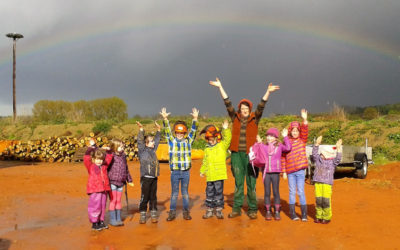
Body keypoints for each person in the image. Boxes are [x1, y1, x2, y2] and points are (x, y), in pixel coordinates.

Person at [209, 77, 279, 219]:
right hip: (236, 155)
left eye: (247, 108)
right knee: (238, 182)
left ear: (249, 110)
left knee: (251, 182)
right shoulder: (235, 117)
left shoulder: (255, 118)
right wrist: (220, 87)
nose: (245, 110)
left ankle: (252, 209)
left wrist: (268, 92)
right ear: (240, 109)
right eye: (242, 108)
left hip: (251, 155)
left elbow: (261, 106)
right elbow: (227, 102)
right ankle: (237, 208)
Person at [160, 107, 199, 221]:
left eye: (182, 133)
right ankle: (172, 212)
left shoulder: (188, 141)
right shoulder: (171, 141)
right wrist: (165, 118)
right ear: (175, 132)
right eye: (177, 132)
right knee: (174, 193)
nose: (180, 135)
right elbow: (167, 131)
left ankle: (186, 212)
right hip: (175, 172)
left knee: (185, 193)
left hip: (186, 172)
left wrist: (195, 119)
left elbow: (193, 131)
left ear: (184, 133)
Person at [255, 128, 291, 220]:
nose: (269, 138)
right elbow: (257, 152)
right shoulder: (263, 146)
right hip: (266, 172)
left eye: (271, 136)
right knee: (267, 192)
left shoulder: (280, 146)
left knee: (276, 192)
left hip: (275, 172)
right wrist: (259, 143)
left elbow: (288, 148)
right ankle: (268, 211)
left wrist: (286, 137)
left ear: (276, 137)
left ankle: (277, 211)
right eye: (268, 136)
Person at [200, 120, 232, 219]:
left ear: (216, 137)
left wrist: (225, 129)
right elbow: (205, 161)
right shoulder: (206, 149)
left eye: (212, 138)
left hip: (219, 175)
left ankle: (218, 210)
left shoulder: (222, 146)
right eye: (209, 139)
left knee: (218, 193)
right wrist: (202, 170)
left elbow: (228, 139)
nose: (211, 141)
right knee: (209, 193)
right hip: (210, 176)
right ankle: (209, 210)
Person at [282, 109, 309, 221]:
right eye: (293, 131)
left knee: (301, 192)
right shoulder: (287, 142)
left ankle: (303, 215)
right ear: (290, 131)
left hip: (300, 171)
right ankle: (292, 214)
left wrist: (304, 119)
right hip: (290, 172)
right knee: (292, 192)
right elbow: (283, 157)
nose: (295, 133)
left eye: (297, 131)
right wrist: (283, 171)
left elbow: (305, 131)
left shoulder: (302, 140)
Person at [312, 136, 342, 224]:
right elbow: (314, 153)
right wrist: (317, 144)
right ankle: (319, 216)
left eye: (323, 153)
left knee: (325, 201)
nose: (321, 155)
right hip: (318, 182)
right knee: (318, 200)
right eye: (321, 153)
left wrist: (339, 148)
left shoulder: (332, 162)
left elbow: (338, 159)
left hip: (327, 184)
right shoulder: (318, 160)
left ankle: (326, 217)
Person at [136, 121, 161, 224]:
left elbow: (157, 140)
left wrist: (159, 130)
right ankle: (143, 214)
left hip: (154, 178)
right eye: (151, 141)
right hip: (145, 178)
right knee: (144, 197)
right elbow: (140, 141)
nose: (153, 142)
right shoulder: (142, 151)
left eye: (153, 141)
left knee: (153, 196)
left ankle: (154, 213)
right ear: (146, 143)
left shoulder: (153, 150)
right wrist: (141, 129)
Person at [83, 146, 113, 231]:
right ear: (93, 159)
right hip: (95, 190)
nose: (99, 161)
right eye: (97, 159)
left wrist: (109, 150)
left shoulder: (104, 166)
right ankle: (94, 222)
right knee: (95, 206)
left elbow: (109, 157)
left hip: (104, 189)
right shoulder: (91, 166)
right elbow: (86, 158)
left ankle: (101, 221)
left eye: (101, 159)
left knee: (103, 206)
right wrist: (90, 149)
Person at [107, 139, 134, 227]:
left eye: (123, 146)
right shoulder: (111, 156)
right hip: (112, 182)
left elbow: (126, 168)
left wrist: (129, 180)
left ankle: (118, 218)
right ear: (114, 147)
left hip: (121, 182)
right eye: (120, 147)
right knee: (113, 200)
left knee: (118, 201)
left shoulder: (123, 156)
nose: (122, 148)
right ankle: (112, 219)